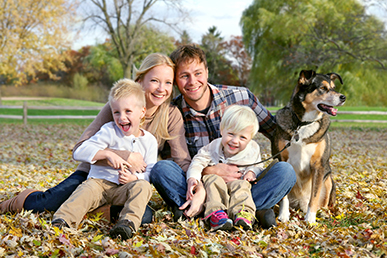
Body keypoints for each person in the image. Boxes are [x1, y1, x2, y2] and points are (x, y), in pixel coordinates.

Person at [0, 53, 199, 222]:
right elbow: (81, 146)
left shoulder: (171, 114)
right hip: (94, 176)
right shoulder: (117, 108)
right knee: (46, 204)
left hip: (128, 183)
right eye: (154, 80)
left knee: (145, 216)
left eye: (168, 83)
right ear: (140, 81)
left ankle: (88, 211)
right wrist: (125, 155)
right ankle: (18, 200)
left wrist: (195, 182)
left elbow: (180, 159)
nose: (161, 88)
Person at [150, 44, 297, 229]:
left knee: (285, 171)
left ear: (207, 71)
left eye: (197, 73)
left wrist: (254, 171)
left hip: (244, 187)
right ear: (176, 81)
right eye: (184, 76)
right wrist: (208, 172)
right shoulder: (172, 113)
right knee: (161, 169)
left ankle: (223, 211)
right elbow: (173, 162)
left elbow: (277, 132)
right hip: (201, 188)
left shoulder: (241, 97)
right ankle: (244, 211)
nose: (192, 81)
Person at [51, 79, 157, 240]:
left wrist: (135, 178)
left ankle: (127, 224)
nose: (121, 118)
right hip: (99, 184)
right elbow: (80, 151)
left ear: (142, 112)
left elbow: (150, 172)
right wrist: (107, 154)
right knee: (84, 190)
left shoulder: (149, 141)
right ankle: (63, 220)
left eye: (128, 111)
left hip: (124, 189)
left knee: (143, 187)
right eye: (116, 112)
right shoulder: (109, 130)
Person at [187, 105, 263, 231]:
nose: (235, 141)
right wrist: (193, 178)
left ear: (250, 139)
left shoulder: (253, 149)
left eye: (242, 137)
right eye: (231, 134)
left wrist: (251, 172)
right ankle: (216, 213)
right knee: (212, 180)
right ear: (222, 130)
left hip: (238, 183)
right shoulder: (213, 147)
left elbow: (258, 165)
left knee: (242, 187)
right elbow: (197, 161)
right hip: (216, 186)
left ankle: (243, 214)